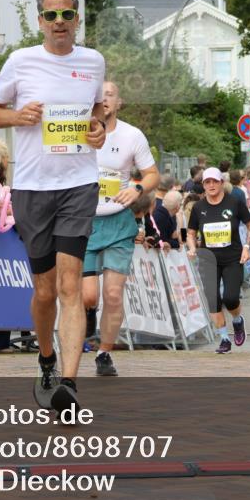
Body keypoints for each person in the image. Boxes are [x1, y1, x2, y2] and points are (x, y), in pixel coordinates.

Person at [0, 0, 107, 417]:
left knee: (72, 286)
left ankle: (69, 383)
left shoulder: (92, 62)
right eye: (51, 16)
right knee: (45, 290)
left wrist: (99, 131)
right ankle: (46, 359)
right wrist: (16, 117)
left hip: (79, 184)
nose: (59, 23)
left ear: (77, 20)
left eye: (67, 15)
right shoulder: (20, 61)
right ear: (40, 22)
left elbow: (96, 117)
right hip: (33, 188)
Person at [81, 80, 159, 377]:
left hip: (117, 222)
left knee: (113, 295)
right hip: (85, 222)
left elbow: (152, 174)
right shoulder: (79, 132)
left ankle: (104, 353)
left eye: (110, 94)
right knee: (90, 296)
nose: (105, 99)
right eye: (100, 95)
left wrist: (137, 188)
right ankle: (88, 315)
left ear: (118, 102)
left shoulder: (131, 135)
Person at [187, 167, 250, 354]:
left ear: (221, 183)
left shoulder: (234, 203)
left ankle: (237, 321)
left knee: (231, 298)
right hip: (208, 260)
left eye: (214, 181)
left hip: (233, 257)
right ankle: (224, 339)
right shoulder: (198, 207)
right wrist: (192, 247)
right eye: (207, 182)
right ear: (203, 185)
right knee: (213, 301)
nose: (211, 185)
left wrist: (247, 247)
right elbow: (191, 233)